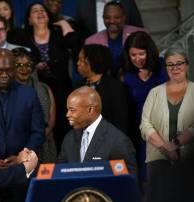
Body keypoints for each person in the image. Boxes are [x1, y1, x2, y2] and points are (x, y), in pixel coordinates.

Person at [0, 48, 45, 202]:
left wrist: (23, 156)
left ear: (14, 68)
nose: (4, 74)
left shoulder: (28, 94)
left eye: (8, 69)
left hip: (20, 174)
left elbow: (38, 131)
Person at [140, 46, 194, 202]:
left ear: (187, 65)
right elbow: (145, 125)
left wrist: (175, 144)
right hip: (158, 161)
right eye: (170, 65)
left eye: (179, 63)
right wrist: (164, 147)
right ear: (166, 68)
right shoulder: (154, 93)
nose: (175, 68)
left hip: (190, 162)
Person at [17, 2, 79, 150]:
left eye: (42, 10)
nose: (40, 13)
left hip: (62, 90)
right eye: (35, 11)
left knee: (64, 128)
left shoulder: (58, 32)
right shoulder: (22, 38)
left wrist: (64, 24)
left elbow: (74, 43)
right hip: (37, 91)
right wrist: (34, 67)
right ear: (29, 20)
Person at [120, 31, 168, 182]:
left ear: (149, 51)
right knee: (147, 175)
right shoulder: (127, 74)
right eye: (133, 55)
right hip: (142, 130)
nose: (137, 59)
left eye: (141, 54)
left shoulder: (163, 66)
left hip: (167, 125)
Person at [58, 86, 136, 175]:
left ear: (90, 109)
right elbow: (60, 174)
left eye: (72, 110)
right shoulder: (69, 139)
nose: (67, 114)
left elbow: (128, 184)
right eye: (68, 109)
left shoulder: (118, 141)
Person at [12, 47, 57, 163]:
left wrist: (36, 141)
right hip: (18, 149)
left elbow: (51, 121)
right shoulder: (7, 91)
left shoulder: (44, 88)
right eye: (18, 65)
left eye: (28, 64)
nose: (24, 69)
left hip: (45, 145)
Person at [76, 44, 129, 134]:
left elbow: (121, 122)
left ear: (92, 62)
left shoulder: (114, 87)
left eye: (81, 60)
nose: (77, 63)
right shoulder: (79, 86)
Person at [85, 1, 146, 77]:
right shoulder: (91, 41)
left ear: (124, 17)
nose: (112, 21)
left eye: (116, 17)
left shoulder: (140, 34)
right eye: (107, 18)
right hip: (106, 85)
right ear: (103, 18)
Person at [76, 0, 143, 41]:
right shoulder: (83, 3)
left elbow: (138, 30)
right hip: (94, 58)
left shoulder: (127, 2)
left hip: (123, 58)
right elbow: (78, 35)